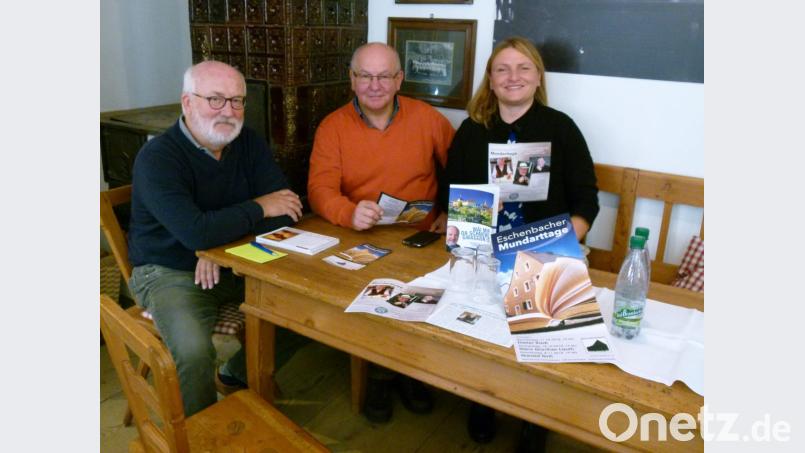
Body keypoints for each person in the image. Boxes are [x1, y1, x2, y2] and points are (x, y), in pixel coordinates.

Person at [439, 37, 599, 450]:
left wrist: (559, 244)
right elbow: (451, 195)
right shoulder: (472, 131)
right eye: (503, 69)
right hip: (483, 250)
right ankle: (482, 398)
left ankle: (534, 418)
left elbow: (586, 201)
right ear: (490, 80)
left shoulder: (561, 128)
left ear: (538, 77)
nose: (513, 77)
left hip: (546, 251)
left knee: (544, 339)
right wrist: (472, 221)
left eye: (523, 67)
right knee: (476, 325)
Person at [127, 61, 304, 417]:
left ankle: (235, 373)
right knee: (193, 352)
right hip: (169, 271)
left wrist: (217, 247)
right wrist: (257, 207)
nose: (228, 111)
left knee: (305, 311)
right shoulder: (158, 158)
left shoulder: (248, 142)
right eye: (215, 99)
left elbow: (287, 210)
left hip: (236, 260)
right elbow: (196, 232)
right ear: (187, 102)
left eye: (237, 101)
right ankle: (202, 432)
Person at [308, 42, 455, 423]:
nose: (375, 85)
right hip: (363, 235)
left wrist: (449, 211)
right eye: (365, 76)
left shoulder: (428, 119)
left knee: (423, 294)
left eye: (384, 76)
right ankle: (379, 375)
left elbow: (460, 169)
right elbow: (319, 189)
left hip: (421, 236)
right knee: (372, 298)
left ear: (399, 79)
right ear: (352, 79)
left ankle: (409, 372)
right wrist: (348, 212)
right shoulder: (332, 126)